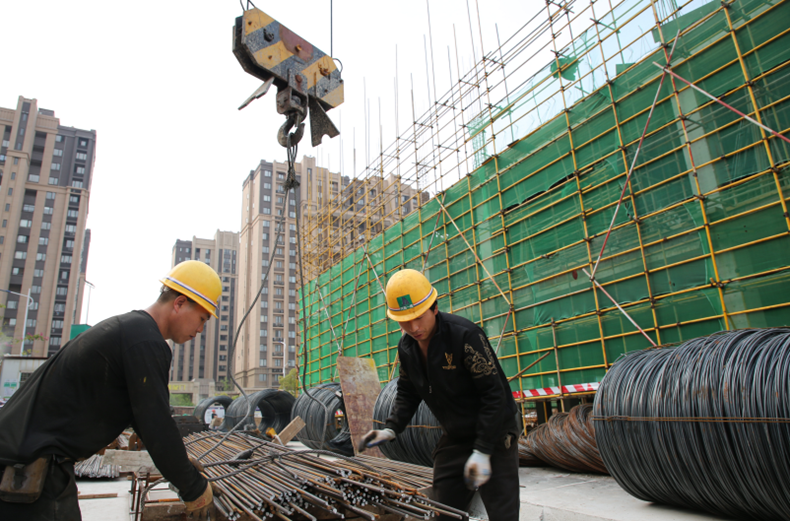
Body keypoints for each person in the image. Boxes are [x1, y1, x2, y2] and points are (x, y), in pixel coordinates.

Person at [0, 260, 222, 521]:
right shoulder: (146, 342)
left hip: (24, 462)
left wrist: (182, 469)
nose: (200, 329)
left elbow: (143, 420)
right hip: (27, 471)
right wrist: (194, 489)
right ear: (180, 303)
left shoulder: (130, 331)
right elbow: (156, 425)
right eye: (202, 318)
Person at [361, 269, 520, 521]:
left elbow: (495, 396)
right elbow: (407, 391)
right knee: (444, 511)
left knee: (503, 514)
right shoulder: (407, 348)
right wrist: (390, 428)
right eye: (404, 320)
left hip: (495, 433)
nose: (413, 327)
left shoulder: (465, 336)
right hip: (456, 435)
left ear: (434, 308)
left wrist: (483, 449)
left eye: (419, 317)